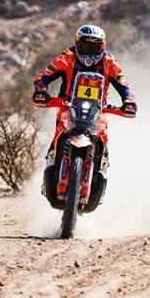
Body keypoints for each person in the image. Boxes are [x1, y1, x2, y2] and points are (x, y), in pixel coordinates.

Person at [31, 24, 136, 210]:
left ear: (102, 47)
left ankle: (101, 172)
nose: (89, 52)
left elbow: (123, 84)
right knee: (59, 132)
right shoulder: (67, 58)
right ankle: (51, 164)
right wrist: (41, 89)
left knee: (103, 138)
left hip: (97, 110)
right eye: (85, 47)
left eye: (94, 48)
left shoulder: (110, 63)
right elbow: (45, 76)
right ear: (77, 44)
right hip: (68, 106)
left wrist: (128, 100)